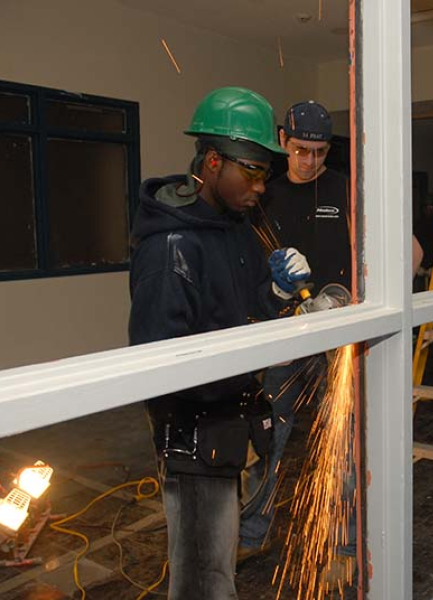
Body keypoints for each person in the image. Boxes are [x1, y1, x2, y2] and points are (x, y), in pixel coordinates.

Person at [128, 86, 311, 600]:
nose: (260, 187)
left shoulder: (236, 231)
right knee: (203, 580)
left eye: (265, 175)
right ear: (212, 162)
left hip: (228, 424)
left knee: (218, 564)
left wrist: (275, 291)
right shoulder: (171, 250)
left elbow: (248, 309)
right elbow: (162, 365)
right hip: (193, 435)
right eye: (251, 172)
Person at [239, 100, 353, 562]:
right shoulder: (262, 195)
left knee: (342, 440)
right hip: (283, 335)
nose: (310, 161)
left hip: (336, 333)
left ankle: (345, 543)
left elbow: (393, 252)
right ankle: (251, 534)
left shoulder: (345, 190)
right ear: (283, 140)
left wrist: (344, 299)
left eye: (320, 152)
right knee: (267, 436)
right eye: (302, 149)